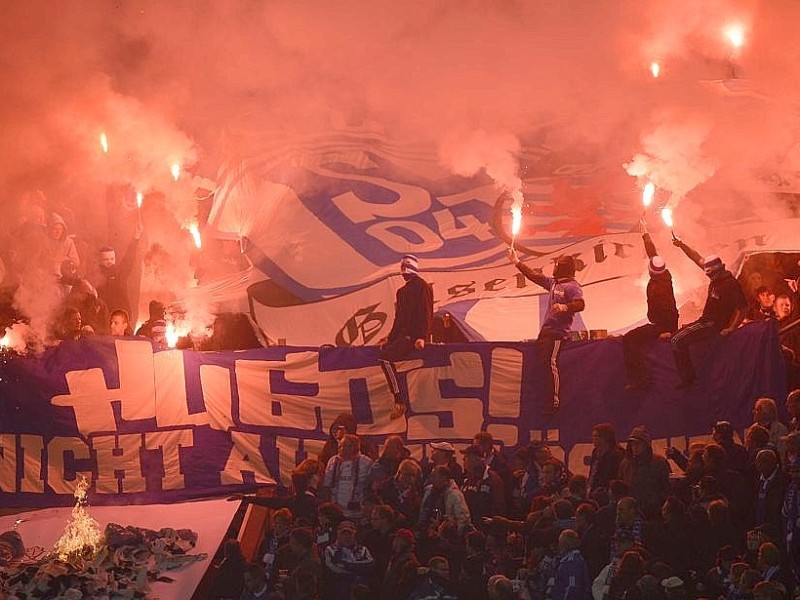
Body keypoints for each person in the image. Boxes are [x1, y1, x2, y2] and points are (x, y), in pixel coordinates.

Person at [507, 248, 585, 413]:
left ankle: (553, 402)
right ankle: (542, 400)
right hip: (546, 332)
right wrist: (516, 262)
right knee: (541, 365)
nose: (554, 267)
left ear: (562, 267)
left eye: (557, 265)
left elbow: (580, 304)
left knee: (550, 364)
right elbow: (535, 276)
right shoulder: (553, 283)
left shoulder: (572, 287)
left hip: (557, 333)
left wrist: (564, 306)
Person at [670, 238, 747, 388]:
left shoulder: (730, 283)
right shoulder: (715, 273)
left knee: (676, 340)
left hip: (712, 324)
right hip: (704, 321)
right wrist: (682, 245)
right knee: (678, 337)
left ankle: (689, 380)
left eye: (711, 274)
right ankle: (689, 378)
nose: (709, 277)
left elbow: (743, 307)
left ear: (719, 270)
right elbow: (696, 258)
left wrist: (731, 328)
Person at [622, 220, 679, 390]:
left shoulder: (661, 286)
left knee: (630, 339)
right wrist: (645, 233)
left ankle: (640, 377)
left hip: (662, 325)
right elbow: (652, 252)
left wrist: (667, 330)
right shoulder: (663, 274)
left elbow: (670, 309)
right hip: (659, 324)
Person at [378, 254, 433, 419]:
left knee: (385, 360)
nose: (403, 271)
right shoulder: (402, 291)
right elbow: (399, 318)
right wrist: (390, 338)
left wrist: (422, 336)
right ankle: (399, 399)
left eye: (405, 267)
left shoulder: (421, 286)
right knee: (385, 357)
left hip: (411, 336)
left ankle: (399, 400)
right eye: (402, 267)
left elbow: (426, 311)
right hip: (404, 336)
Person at [618, 426, 670, 519]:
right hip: (630, 514)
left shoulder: (659, 463)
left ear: (646, 445)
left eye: (638, 444)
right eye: (632, 444)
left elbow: (666, 488)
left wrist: (657, 504)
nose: (634, 447)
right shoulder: (625, 464)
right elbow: (621, 486)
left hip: (653, 514)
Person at [94, 220, 143, 321]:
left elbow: (129, 257)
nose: (109, 262)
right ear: (99, 260)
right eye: (106, 259)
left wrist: (136, 237)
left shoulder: (121, 272)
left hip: (123, 317)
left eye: (112, 259)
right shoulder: (95, 276)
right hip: (104, 319)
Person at [323, 433, 374, 519]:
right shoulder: (332, 461)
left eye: (344, 446)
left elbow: (371, 486)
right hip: (336, 510)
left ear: (354, 447)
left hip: (357, 512)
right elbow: (326, 485)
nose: (340, 448)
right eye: (340, 445)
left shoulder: (366, 462)